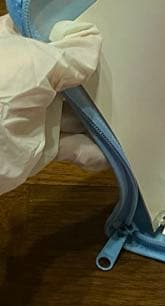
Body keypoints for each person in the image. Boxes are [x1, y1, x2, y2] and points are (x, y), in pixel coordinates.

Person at [0, 15, 105, 195]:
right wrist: (57, 26)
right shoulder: (29, 63)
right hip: (14, 153)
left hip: (11, 165)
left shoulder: (24, 63)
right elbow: (84, 54)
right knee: (86, 139)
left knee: (78, 148)